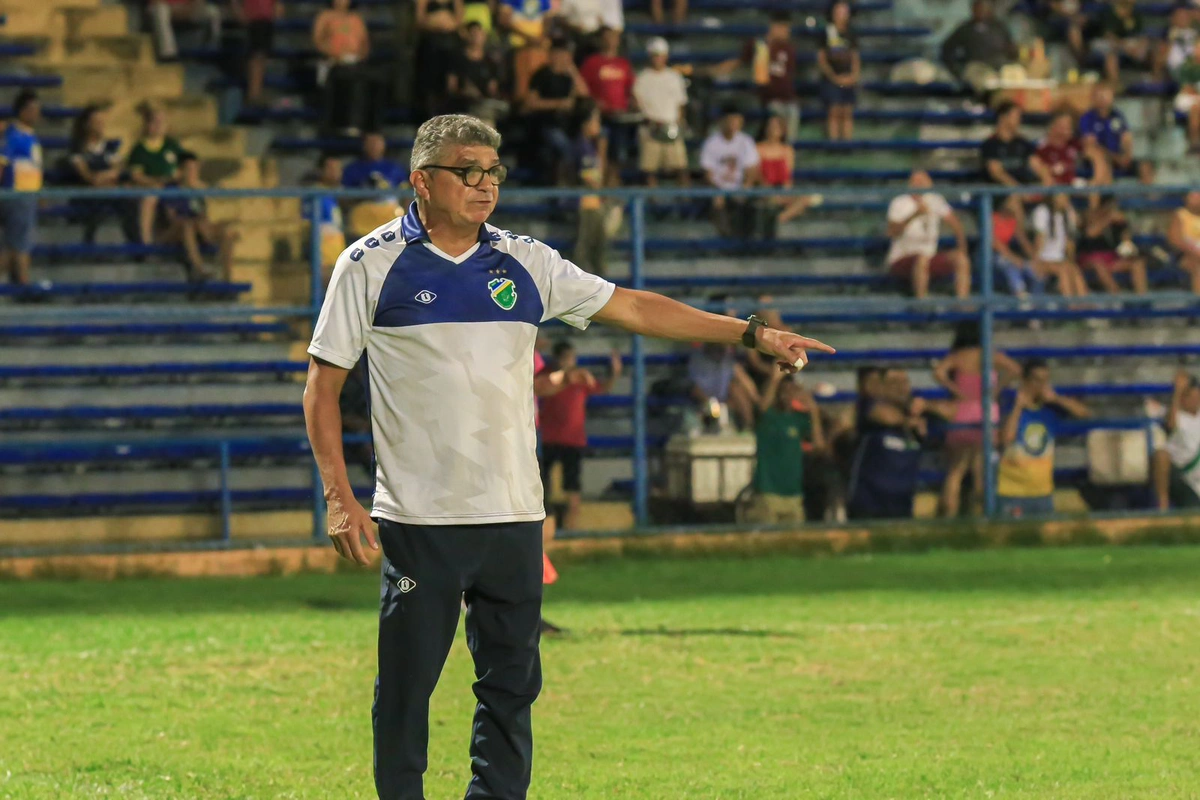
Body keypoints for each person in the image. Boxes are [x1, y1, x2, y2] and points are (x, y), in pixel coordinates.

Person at [303, 114, 833, 799]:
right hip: (420, 520)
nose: (483, 184)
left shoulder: (526, 261)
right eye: (466, 171)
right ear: (421, 181)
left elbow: (636, 308)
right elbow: (323, 386)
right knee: (406, 693)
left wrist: (751, 333)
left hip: (515, 517)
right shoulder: (369, 263)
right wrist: (339, 498)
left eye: (492, 172)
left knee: (512, 689)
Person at [933, 321, 1021, 517]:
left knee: (956, 470)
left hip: (962, 410)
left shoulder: (958, 357)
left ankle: (949, 515)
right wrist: (996, 389)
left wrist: (955, 390)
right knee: (981, 469)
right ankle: (982, 514)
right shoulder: (990, 355)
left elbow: (938, 372)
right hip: (986, 411)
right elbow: (1015, 369)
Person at [537, 342, 621, 530]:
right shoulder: (549, 377)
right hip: (549, 439)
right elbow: (541, 386)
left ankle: (569, 529)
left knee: (572, 487)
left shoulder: (580, 378)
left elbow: (602, 388)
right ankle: (547, 529)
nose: (571, 361)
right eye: (567, 357)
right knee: (543, 487)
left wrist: (614, 372)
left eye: (572, 357)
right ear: (558, 359)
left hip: (572, 440)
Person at [846, 368, 945, 520]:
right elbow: (885, 416)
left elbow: (954, 413)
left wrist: (928, 406)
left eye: (904, 382)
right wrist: (910, 422)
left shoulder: (920, 411)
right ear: (882, 387)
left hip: (901, 501)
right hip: (869, 500)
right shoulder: (869, 406)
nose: (900, 387)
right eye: (893, 382)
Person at [997, 358, 1090, 519]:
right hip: (1011, 491)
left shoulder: (1050, 409)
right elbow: (1005, 439)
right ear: (1025, 381)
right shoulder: (1009, 407)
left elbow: (1084, 414)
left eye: (1045, 381)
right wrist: (1018, 407)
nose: (1041, 386)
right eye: (1036, 380)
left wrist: (1057, 399)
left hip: (1042, 491)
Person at [749, 372, 826, 524]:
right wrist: (775, 377)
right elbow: (763, 406)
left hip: (793, 493)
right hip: (768, 492)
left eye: (792, 390)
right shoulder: (768, 418)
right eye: (783, 390)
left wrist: (814, 411)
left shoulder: (799, 419)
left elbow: (819, 446)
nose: (787, 395)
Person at [712, 13, 801, 141]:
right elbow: (740, 62)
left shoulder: (788, 49)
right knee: (774, 111)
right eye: (783, 27)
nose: (786, 32)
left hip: (787, 98)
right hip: (766, 98)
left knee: (792, 112)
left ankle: (788, 151)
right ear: (774, 27)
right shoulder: (758, 45)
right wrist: (716, 70)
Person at [884, 169, 971, 300]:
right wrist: (914, 215)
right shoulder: (899, 202)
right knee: (921, 259)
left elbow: (956, 224)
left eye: (923, 181)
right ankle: (922, 303)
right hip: (902, 257)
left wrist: (962, 248)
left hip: (928, 257)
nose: (920, 185)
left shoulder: (935, 200)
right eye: (916, 181)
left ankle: (963, 304)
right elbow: (891, 232)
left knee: (960, 259)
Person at [64, 104, 138, 246]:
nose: (100, 125)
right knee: (96, 204)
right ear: (87, 125)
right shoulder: (78, 149)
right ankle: (89, 244)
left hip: (109, 191)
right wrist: (106, 176)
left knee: (130, 202)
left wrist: (104, 177)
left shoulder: (109, 147)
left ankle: (136, 247)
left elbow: (119, 170)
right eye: (96, 122)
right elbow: (88, 177)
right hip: (87, 195)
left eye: (102, 122)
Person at [160, 151, 239, 281]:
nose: (193, 172)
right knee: (187, 225)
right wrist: (197, 221)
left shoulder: (198, 191)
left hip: (198, 228)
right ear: (181, 171)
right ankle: (200, 269)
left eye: (196, 169)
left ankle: (228, 277)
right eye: (190, 169)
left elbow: (204, 215)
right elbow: (172, 219)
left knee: (227, 231)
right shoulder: (171, 190)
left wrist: (205, 225)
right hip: (175, 231)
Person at [523, 39, 589, 185]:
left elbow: (585, 93)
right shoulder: (541, 75)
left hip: (569, 125)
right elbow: (531, 103)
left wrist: (573, 71)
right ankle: (563, 186)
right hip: (547, 124)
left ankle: (584, 188)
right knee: (564, 147)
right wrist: (558, 104)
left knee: (585, 149)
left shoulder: (568, 77)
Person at [632, 37, 690, 190]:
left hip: (671, 127)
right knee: (649, 170)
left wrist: (679, 124)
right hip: (650, 128)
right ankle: (652, 200)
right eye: (655, 55)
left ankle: (684, 201)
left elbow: (680, 104)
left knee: (681, 168)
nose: (658, 58)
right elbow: (637, 103)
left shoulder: (674, 77)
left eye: (660, 55)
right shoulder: (642, 78)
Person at [127, 103, 186, 246]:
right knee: (150, 198)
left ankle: (176, 241)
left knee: (177, 201)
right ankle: (146, 242)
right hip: (149, 188)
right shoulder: (139, 149)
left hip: (171, 186)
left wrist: (175, 178)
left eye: (162, 122)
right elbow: (137, 176)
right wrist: (155, 182)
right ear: (148, 125)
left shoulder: (173, 145)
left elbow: (183, 168)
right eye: (155, 122)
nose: (159, 125)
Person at [580, 26, 637, 171]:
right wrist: (593, 103)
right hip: (599, 117)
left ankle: (612, 187)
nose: (610, 41)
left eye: (613, 37)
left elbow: (631, 88)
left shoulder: (623, 64)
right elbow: (583, 88)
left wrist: (633, 103)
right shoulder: (592, 63)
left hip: (620, 117)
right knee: (599, 153)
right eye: (607, 37)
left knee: (617, 156)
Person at [0, 90, 42, 289]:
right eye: (33, 110)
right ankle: (25, 285)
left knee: (18, 244)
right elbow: (2, 162)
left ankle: (22, 283)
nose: (37, 114)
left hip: (28, 196)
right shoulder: (13, 135)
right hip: (17, 195)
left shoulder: (30, 136)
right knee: (18, 246)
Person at [699, 105, 760, 239]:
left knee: (750, 203)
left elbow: (752, 169)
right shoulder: (711, 143)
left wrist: (745, 188)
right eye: (730, 120)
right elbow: (708, 173)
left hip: (739, 187)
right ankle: (726, 240)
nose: (733, 124)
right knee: (717, 203)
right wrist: (717, 191)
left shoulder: (746, 142)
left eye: (736, 120)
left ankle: (746, 241)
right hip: (718, 189)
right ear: (722, 121)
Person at [312, 0, 372, 136]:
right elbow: (318, 41)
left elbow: (365, 44)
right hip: (332, 62)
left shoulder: (356, 19)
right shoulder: (325, 16)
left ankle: (359, 124)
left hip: (355, 62)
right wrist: (335, 55)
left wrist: (359, 56)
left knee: (368, 77)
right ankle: (339, 124)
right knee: (346, 75)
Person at [1078, 83, 1154, 184]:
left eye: (1106, 95)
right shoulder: (1087, 118)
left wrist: (1127, 156)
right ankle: (1106, 197)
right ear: (1093, 98)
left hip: (1118, 158)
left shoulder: (1117, 116)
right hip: (1099, 159)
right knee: (1101, 159)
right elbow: (1091, 145)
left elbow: (1126, 138)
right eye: (1100, 96)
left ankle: (1149, 198)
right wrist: (1116, 158)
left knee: (1145, 166)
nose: (1103, 99)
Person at [941, 0, 1018, 97]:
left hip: (999, 65)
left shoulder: (999, 27)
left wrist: (1012, 54)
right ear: (972, 10)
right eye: (977, 9)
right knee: (984, 80)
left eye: (983, 8)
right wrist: (956, 69)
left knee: (1015, 76)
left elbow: (1011, 48)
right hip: (976, 66)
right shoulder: (965, 29)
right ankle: (986, 100)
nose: (980, 11)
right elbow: (947, 49)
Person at [342, 131, 409, 238]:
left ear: (384, 145)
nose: (374, 146)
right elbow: (344, 198)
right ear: (364, 145)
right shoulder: (352, 169)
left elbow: (406, 195)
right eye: (370, 143)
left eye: (377, 143)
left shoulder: (395, 168)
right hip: (362, 222)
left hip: (390, 222)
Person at [1077, 195, 1148, 294]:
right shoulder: (1089, 216)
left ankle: (1142, 299)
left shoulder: (1117, 221)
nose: (1111, 209)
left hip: (1111, 257)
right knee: (1099, 265)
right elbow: (1090, 233)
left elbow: (1126, 242)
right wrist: (1108, 219)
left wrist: (1124, 226)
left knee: (1138, 263)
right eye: (1109, 206)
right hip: (1090, 258)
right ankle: (1117, 296)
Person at [755, 115, 811, 237]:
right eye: (770, 126)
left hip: (781, 188)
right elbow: (757, 175)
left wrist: (785, 192)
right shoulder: (758, 148)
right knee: (769, 199)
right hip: (764, 189)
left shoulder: (787, 150)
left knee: (805, 199)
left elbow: (787, 176)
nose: (772, 129)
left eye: (776, 127)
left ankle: (778, 219)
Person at [1153, 370, 1200, 510]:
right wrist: (1178, 391)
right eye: (1187, 395)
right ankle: (1163, 504)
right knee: (1161, 455)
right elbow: (1171, 425)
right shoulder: (1175, 415)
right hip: (1184, 477)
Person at [688, 342, 760, 431]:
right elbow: (696, 390)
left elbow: (745, 381)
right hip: (704, 403)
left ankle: (749, 428)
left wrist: (757, 399)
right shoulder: (698, 360)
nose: (721, 347)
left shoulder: (728, 360)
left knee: (738, 390)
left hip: (726, 403)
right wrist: (712, 404)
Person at [1030, 193, 1090, 300]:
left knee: (1074, 270)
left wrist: (1070, 261)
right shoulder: (1042, 211)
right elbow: (1039, 239)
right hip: (1044, 258)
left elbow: (1070, 244)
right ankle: (1070, 305)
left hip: (1060, 259)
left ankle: (1085, 305)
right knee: (1063, 270)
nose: (1065, 199)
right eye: (1062, 196)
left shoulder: (1068, 212)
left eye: (1067, 196)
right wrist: (1036, 261)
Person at [446, 22, 507, 125]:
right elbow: (451, 87)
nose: (477, 37)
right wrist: (464, 92)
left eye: (479, 34)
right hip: (463, 107)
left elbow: (493, 89)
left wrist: (491, 92)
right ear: (467, 35)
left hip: (483, 106)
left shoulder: (490, 62)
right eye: (473, 33)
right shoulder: (457, 59)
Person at [572, 103, 609, 275]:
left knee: (598, 248)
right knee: (585, 248)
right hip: (586, 204)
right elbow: (590, 178)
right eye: (596, 122)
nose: (598, 126)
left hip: (593, 203)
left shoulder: (590, 145)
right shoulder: (582, 146)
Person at [1031, 111, 1110, 187]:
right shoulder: (1042, 146)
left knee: (1093, 189)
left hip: (1073, 183)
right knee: (1059, 193)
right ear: (1052, 126)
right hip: (1054, 186)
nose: (1067, 130)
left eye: (1069, 127)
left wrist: (1096, 181)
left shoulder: (1073, 144)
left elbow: (1095, 155)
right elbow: (1036, 163)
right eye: (1062, 126)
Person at [818, 0, 860, 141]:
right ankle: (834, 144)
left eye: (844, 11)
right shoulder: (826, 32)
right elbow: (822, 59)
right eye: (839, 11)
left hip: (848, 78)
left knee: (847, 111)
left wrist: (853, 76)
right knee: (834, 110)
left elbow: (855, 57)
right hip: (831, 79)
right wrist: (834, 77)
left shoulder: (851, 33)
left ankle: (847, 144)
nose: (841, 14)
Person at [1088, 0, 1155, 85]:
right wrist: (1125, 48)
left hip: (1127, 43)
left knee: (1152, 48)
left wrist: (1140, 47)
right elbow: (1108, 36)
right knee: (1111, 55)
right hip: (1105, 43)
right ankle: (1114, 84)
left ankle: (1153, 80)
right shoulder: (1109, 12)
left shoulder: (1135, 13)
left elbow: (1142, 36)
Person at [415, 0, 464, 117]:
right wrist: (439, 23)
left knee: (450, 83)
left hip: (450, 44)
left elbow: (460, 20)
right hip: (430, 45)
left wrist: (443, 22)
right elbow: (419, 21)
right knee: (430, 86)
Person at [231, 0, 281, 107]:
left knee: (261, 56)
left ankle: (256, 92)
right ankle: (254, 94)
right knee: (257, 56)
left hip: (266, 19)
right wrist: (238, 11)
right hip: (255, 19)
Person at [992, 196, 1044, 297]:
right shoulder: (992, 218)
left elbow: (1023, 241)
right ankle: (1021, 296)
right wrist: (1014, 259)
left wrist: (1035, 259)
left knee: (1035, 270)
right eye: (1014, 203)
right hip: (990, 256)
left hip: (1007, 255)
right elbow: (995, 244)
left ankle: (1037, 300)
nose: (1017, 207)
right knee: (1010, 266)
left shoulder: (1012, 221)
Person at [304, 153, 346, 273]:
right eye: (330, 168)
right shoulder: (315, 194)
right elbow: (307, 227)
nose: (334, 173)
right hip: (323, 261)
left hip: (336, 258)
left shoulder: (335, 195)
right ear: (321, 171)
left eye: (337, 169)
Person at [981, 101, 1037, 189]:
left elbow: (1037, 164)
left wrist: (1048, 184)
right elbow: (997, 173)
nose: (1019, 120)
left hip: (1025, 188)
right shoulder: (990, 145)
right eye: (1016, 116)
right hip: (1001, 191)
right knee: (1013, 200)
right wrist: (1019, 190)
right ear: (1003, 117)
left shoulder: (1023, 143)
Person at [147, 0, 221, 61]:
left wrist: (189, 9)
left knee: (214, 12)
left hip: (186, 8)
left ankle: (212, 48)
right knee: (160, 9)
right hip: (164, 7)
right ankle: (168, 54)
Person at [1167, 190, 1200, 294]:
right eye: (1194, 197)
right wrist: (1194, 250)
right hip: (1186, 255)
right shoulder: (1180, 215)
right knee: (1197, 265)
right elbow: (1175, 240)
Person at [1173, 40, 1200, 153]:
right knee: (1195, 108)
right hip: (1187, 98)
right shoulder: (1187, 65)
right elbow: (1187, 89)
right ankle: (1194, 143)